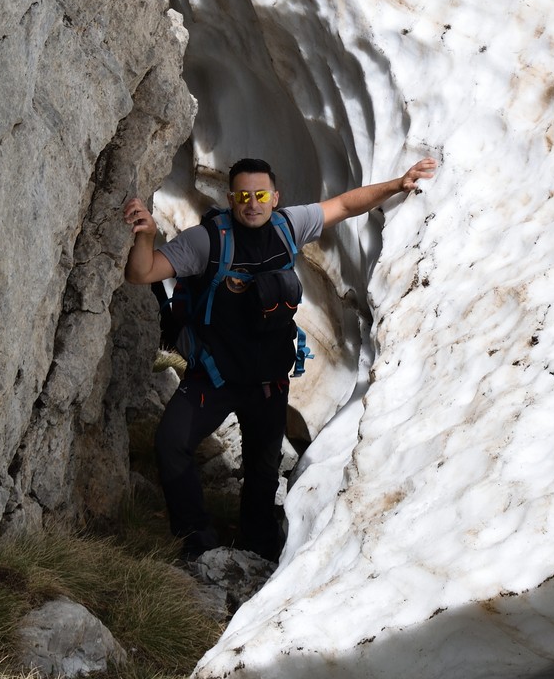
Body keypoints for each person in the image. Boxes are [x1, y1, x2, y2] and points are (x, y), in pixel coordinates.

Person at [123, 154, 436, 561]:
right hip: (213, 378)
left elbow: (343, 205)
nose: (252, 203)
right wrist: (145, 235)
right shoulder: (207, 242)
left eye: (260, 194)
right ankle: (198, 545)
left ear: (275, 197)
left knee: (262, 471)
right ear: (231, 199)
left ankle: (256, 548)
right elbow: (142, 273)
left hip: (268, 381)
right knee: (170, 443)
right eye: (243, 196)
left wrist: (398, 184)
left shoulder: (288, 226)